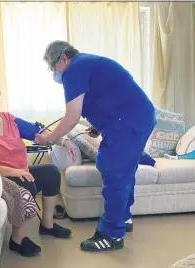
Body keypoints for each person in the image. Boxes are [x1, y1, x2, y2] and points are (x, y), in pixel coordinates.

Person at [35, 41, 156, 252]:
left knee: (114, 170)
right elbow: (110, 96)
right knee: (124, 171)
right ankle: (123, 219)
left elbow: (72, 116)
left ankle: (111, 235)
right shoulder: (87, 63)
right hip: (134, 118)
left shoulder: (74, 69)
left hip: (128, 122)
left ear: (63, 59)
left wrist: (50, 138)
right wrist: (97, 127)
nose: (53, 72)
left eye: (52, 67)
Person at [0, 77, 74, 257]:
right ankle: (17, 240)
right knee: (26, 181)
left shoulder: (9, 119)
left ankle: (47, 224)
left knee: (51, 172)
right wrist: (12, 171)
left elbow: (39, 133)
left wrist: (65, 141)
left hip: (19, 170)